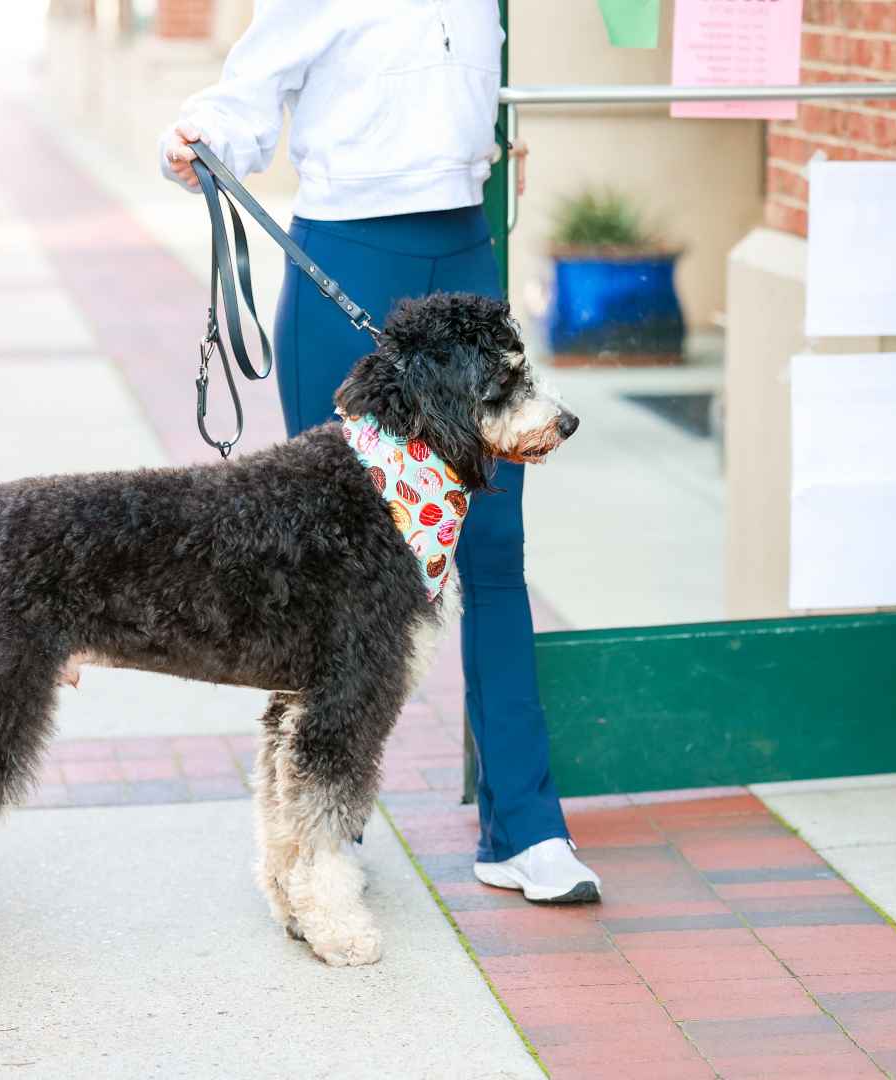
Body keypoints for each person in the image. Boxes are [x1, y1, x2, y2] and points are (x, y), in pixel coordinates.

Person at [159, 0, 601, 903]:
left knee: (495, 552)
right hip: (346, 259)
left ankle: (525, 827)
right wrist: (200, 137)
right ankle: (329, 828)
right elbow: (251, 92)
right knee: (332, 568)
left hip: (468, 251)